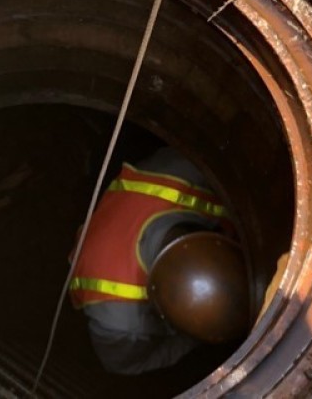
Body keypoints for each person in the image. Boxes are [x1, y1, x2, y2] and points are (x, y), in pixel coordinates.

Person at [69, 147, 249, 375]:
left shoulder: (182, 171)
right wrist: (195, 339)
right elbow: (122, 365)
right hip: (98, 256)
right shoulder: (118, 322)